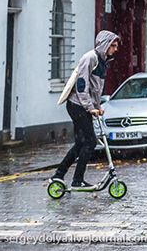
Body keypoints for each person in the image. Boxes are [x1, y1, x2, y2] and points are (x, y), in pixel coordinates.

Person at [50, 30, 120, 187]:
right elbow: (82, 86)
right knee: (90, 141)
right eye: (113, 46)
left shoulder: (103, 61)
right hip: (77, 105)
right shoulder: (90, 58)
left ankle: (59, 175)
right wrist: (90, 108)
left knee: (81, 143)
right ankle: (77, 180)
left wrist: (97, 107)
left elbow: (95, 89)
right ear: (105, 45)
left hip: (84, 107)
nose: (115, 49)